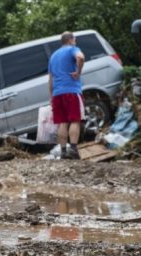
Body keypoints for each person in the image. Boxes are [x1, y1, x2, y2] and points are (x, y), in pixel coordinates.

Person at [48, 31, 85, 160]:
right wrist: (78, 72)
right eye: (74, 39)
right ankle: (74, 150)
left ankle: (63, 152)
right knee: (75, 120)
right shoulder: (73, 49)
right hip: (71, 91)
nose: (75, 42)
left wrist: (51, 96)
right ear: (70, 40)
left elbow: (50, 79)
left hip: (57, 94)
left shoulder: (53, 56)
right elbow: (80, 57)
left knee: (62, 123)